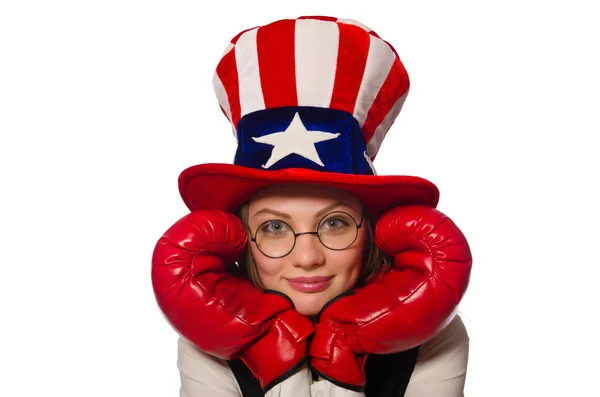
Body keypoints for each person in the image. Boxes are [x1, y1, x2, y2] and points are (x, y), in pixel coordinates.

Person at [152, 15, 473, 397]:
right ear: (241, 238)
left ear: (370, 230)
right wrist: (274, 357)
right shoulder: (207, 338)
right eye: (274, 227)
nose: (307, 258)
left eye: (334, 223)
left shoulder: (434, 334)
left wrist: (343, 358)